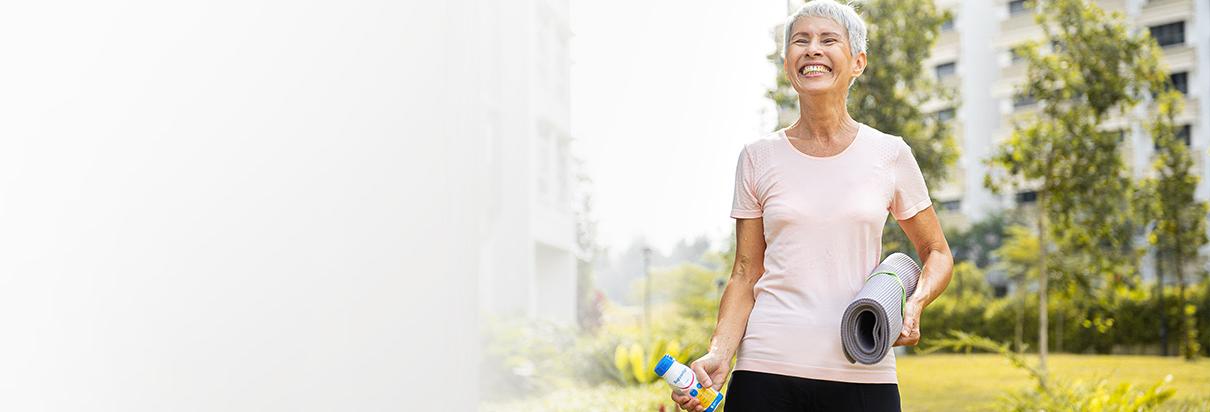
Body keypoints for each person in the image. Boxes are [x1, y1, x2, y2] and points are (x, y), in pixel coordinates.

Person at [672, 1, 954, 411]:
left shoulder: (889, 154)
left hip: (862, 368)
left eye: (828, 40)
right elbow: (746, 271)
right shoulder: (757, 156)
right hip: (766, 368)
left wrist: (915, 303)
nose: (812, 49)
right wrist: (720, 352)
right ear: (788, 66)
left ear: (857, 62)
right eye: (800, 41)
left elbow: (937, 253)